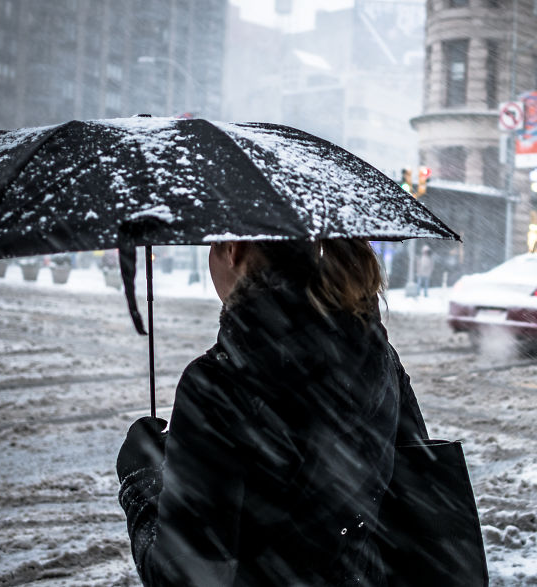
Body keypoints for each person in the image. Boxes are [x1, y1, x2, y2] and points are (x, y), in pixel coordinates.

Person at [116, 238, 429, 586]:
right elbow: (418, 491)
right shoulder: (380, 355)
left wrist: (141, 479)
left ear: (233, 249)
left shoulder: (221, 383)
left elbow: (185, 578)